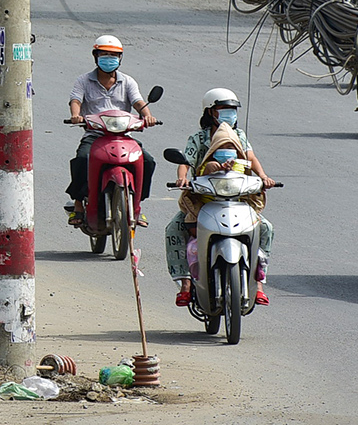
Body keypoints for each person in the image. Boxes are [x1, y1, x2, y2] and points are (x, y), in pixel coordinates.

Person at [165, 95, 276, 306]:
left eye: (232, 109)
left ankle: (258, 283)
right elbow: (186, 162)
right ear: (210, 111)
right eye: (223, 108)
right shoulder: (199, 138)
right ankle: (186, 284)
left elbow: (251, 159)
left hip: (237, 199)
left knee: (266, 228)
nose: (229, 114)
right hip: (203, 200)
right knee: (174, 228)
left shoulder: (240, 136)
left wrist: (263, 177)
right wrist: (183, 178)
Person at [65, 35, 157, 221]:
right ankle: (77, 203)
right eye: (104, 54)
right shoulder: (83, 81)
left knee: (147, 161)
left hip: (124, 136)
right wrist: (76, 115)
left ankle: (136, 204)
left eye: (113, 55)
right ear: (95, 56)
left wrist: (147, 115)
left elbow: (138, 102)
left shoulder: (128, 81)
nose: (109, 58)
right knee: (82, 159)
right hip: (95, 135)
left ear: (120, 58)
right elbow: (76, 100)